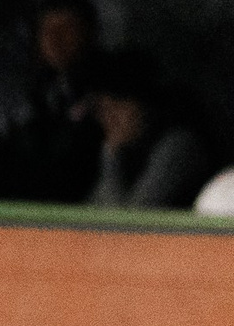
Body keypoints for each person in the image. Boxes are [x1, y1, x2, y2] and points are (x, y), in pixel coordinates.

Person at [0, 0, 104, 205]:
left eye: (66, 29)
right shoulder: (32, 91)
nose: (54, 38)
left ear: (89, 33)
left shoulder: (107, 87)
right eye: (46, 30)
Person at [82, 55, 213, 212]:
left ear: (144, 104)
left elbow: (133, 218)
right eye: (104, 109)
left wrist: (111, 158)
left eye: (119, 106)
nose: (110, 118)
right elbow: (91, 210)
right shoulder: (124, 148)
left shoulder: (179, 145)